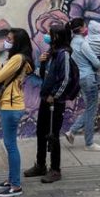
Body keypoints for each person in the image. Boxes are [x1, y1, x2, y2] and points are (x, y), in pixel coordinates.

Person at [24, 23, 73, 184]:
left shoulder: (64, 54)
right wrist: (43, 62)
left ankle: (55, 169)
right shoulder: (52, 53)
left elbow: (66, 78)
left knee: (53, 135)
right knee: (41, 132)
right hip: (45, 99)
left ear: (57, 36)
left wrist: (56, 95)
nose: (48, 37)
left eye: (51, 34)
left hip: (55, 102)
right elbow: (44, 75)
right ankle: (40, 164)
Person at [0, 28, 33, 197]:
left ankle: (15, 185)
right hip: (10, 104)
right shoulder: (16, 58)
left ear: (18, 42)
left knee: (11, 146)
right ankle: (11, 180)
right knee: (10, 145)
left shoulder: (17, 58)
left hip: (12, 106)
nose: (6, 41)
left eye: (9, 39)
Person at [64, 18, 100, 151]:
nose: (86, 27)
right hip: (89, 78)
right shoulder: (82, 43)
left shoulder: (72, 42)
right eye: (85, 26)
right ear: (82, 28)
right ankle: (89, 143)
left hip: (80, 78)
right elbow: (96, 62)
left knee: (90, 108)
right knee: (91, 110)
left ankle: (72, 132)